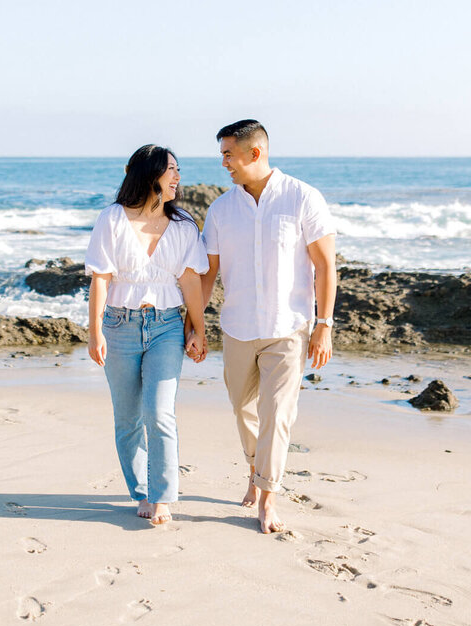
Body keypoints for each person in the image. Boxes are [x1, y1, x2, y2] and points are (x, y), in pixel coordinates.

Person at [200, 120, 337, 534]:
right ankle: (256, 469)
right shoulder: (222, 209)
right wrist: (195, 324)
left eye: (228, 154)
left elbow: (325, 265)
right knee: (244, 412)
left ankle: (267, 496)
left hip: (288, 329)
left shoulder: (302, 198)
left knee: (277, 414)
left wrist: (324, 324)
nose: (224, 162)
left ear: (253, 153)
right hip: (238, 328)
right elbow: (208, 273)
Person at [85, 145, 209, 526]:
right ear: (149, 173)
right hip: (119, 325)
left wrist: (199, 329)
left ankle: (162, 496)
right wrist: (94, 332)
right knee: (127, 418)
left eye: (178, 170)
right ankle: (141, 490)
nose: (177, 177)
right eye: (171, 169)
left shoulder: (185, 226)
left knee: (159, 412)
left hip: (167, 326)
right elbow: (100, 279)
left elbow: (190, 281)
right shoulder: (112, 219)